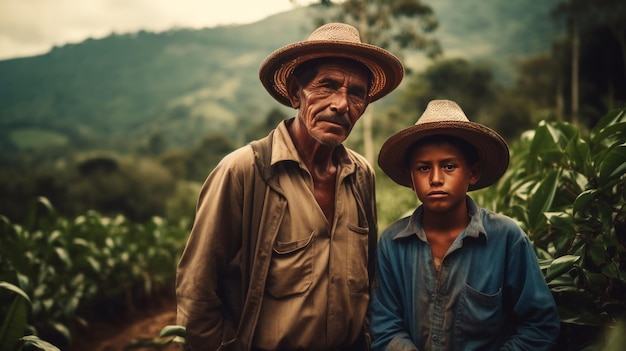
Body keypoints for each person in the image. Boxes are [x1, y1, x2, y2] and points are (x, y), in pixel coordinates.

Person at [176, 23, 404, 351]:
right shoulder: (244, 171)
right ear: (296, 93)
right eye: (327, 85)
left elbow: (368, 282)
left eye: (356, 93)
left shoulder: (360, 175)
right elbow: (197, 291)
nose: (342, 104)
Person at [368, 100, 560, 350]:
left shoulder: (506, 238)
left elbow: (539, 325)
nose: (436, 179)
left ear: (473, 173)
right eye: (423, 168)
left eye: (449, 166)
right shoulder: (392, 244)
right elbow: (385, 326)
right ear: (411, 178)